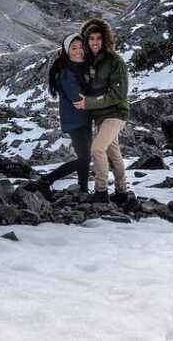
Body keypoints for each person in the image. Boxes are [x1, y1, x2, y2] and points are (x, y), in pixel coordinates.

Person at [28, 32, 93, 194]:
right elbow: (77, 98)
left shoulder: (77, 66)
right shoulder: (66, 71)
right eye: (73, 48)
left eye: (80, 47)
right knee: (85, 158)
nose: (79, 51)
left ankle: (83, 189)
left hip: (84, 118)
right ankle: (47, 180)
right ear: (66, 51)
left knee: (85, 157)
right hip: (74, 120)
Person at [74, 17, 131, 204]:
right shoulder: (88, 61)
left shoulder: (115, 61)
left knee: (98, 149)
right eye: (91, 39)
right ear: (86, 40)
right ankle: (122, 193)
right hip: (100, 116)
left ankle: (101, 193)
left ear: (105, 39)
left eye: (99, 38)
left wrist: (89, 103)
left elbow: (118, 94)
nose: (95, 42)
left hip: (115, 113)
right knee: (114, 154)